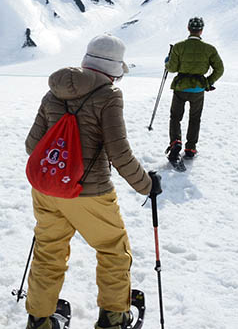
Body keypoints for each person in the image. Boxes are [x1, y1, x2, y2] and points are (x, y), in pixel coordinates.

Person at [24, 34, 160, 329]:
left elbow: (32, 145)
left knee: (48, 252)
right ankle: (114, 318)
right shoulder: (109, 95)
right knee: (113, 249)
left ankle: (40, 321)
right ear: (114, 69)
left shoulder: (53, 93)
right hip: (89, 193)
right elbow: (119, 152)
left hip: (47, 189)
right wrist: (147, 185)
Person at [165, 17, 224, 169]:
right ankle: (190, 148)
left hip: (180, 87)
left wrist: (167, 60)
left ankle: (175, 142)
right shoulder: (209, 49)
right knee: (195, 118)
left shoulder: (178, 47)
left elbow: (171, 68)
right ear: (201, 30)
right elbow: (220, 69)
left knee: (175, 117)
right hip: (198, 88)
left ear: (188, 28)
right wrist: (208, 82)